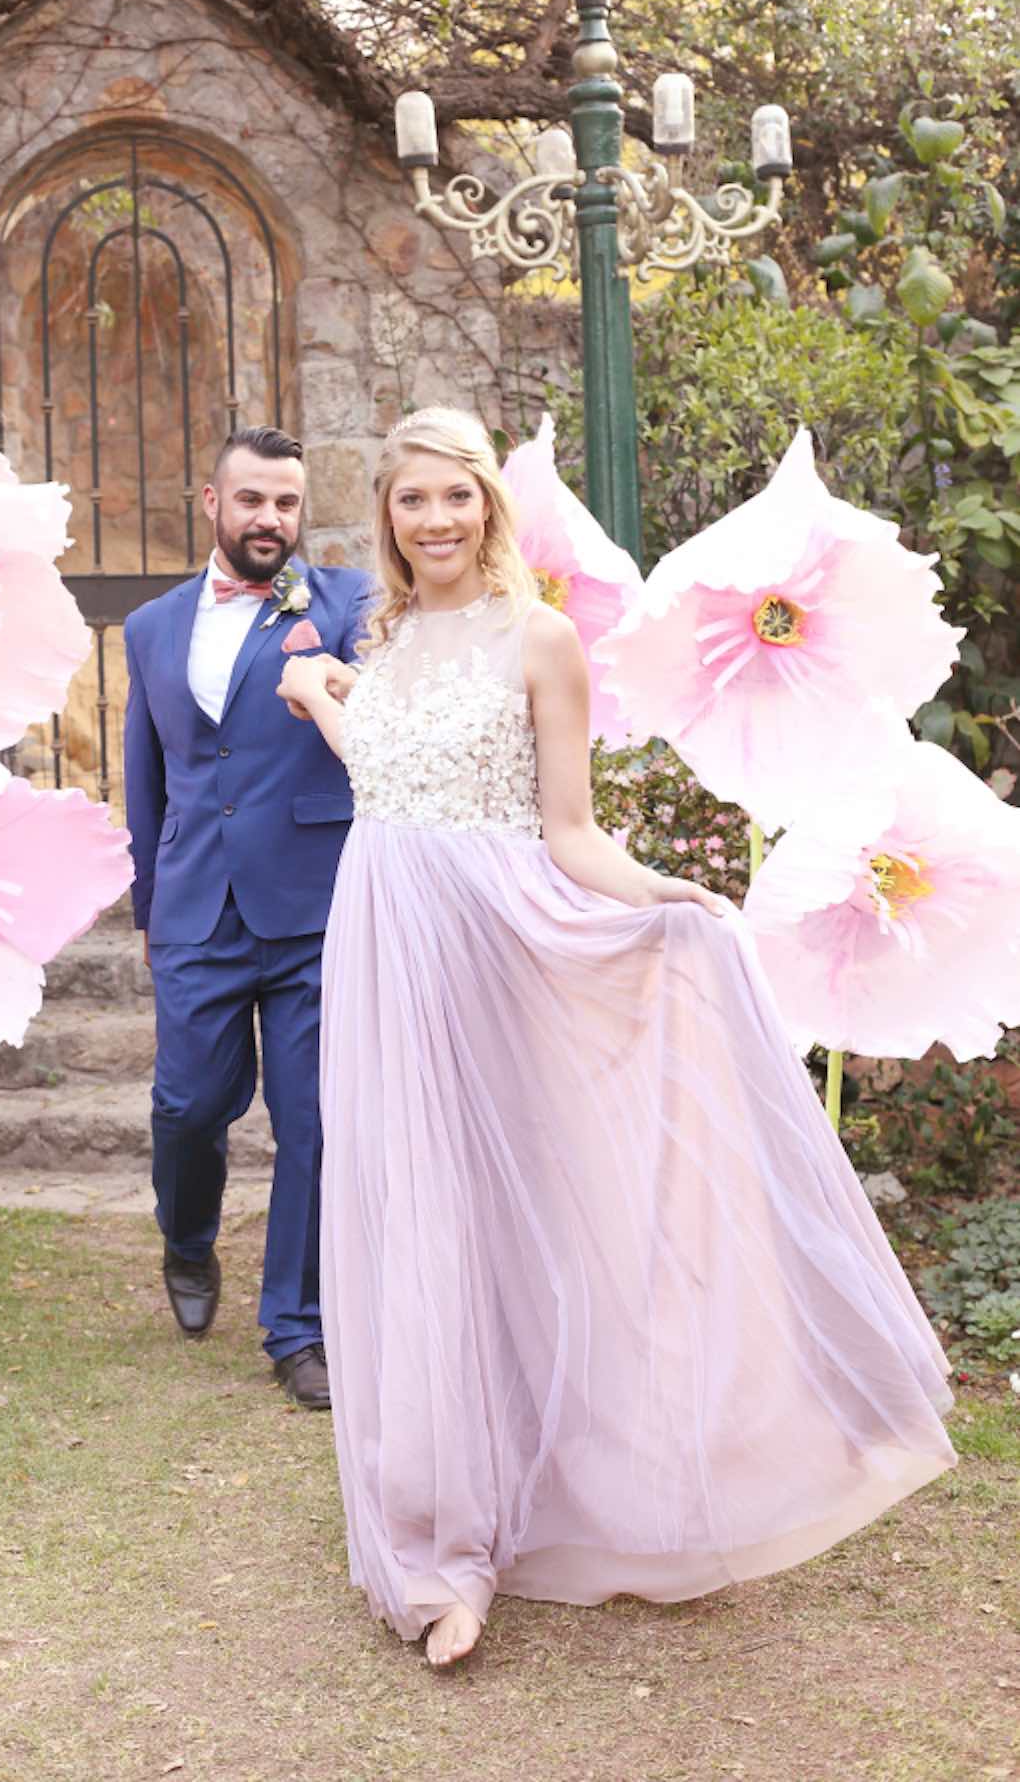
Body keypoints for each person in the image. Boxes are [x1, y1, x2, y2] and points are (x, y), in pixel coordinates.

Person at [276, 407, 956, 1665]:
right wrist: (320, 691)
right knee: (414, 1218)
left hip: (499, 942)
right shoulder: (378, 642)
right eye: (412, 499)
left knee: (529, 1211)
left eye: (456, 497)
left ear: (489, 507)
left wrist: (663, 899)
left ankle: (585, 1489)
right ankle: (439, 1548)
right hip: (383, 951)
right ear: (386, 515)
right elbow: (387, 774)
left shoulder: (538, 639)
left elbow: (569, 830)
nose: (435, 519)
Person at [123, 425, 371, 1409]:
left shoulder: (347, 603)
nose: (270, 519)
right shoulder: (148, 628)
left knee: (310, 1122)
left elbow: (380, 707)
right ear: (211, 503)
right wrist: (149, 906)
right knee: (188, 1107)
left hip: (317, 901)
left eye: (286, 503)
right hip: (196, 908)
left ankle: (296, 1327)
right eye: (252, 501)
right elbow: (149, 783)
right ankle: (186, 1241)